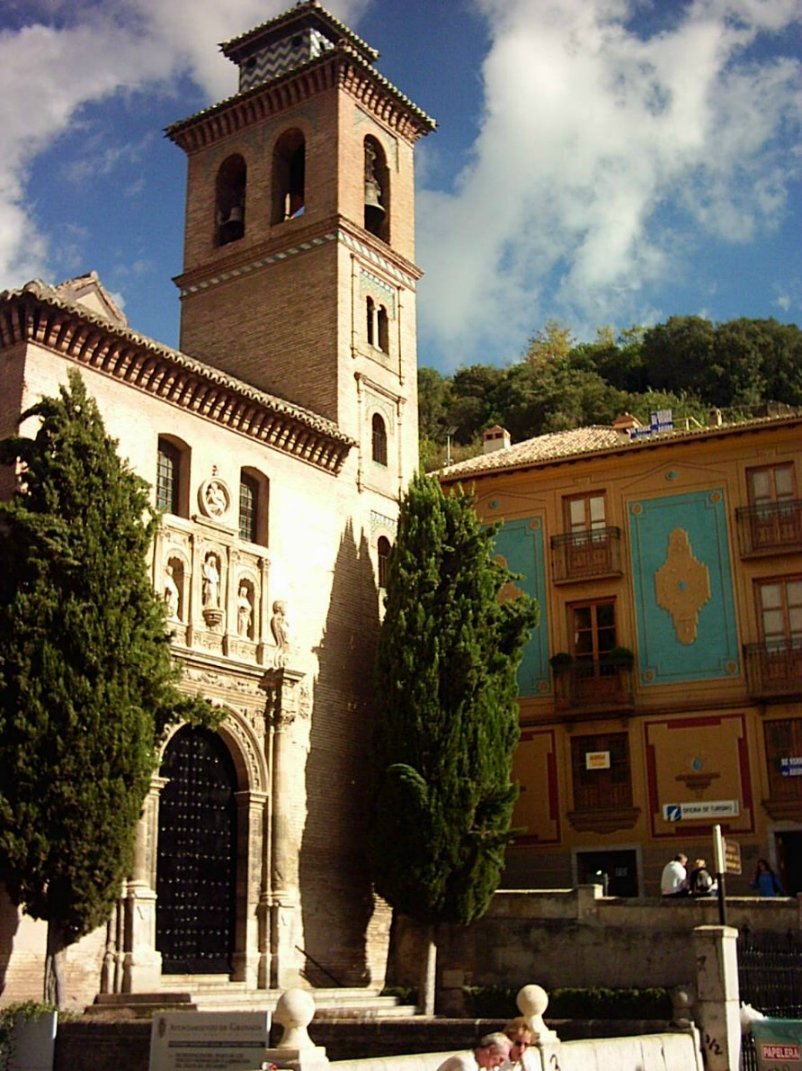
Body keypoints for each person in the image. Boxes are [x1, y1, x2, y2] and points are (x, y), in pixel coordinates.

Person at [436, 1033, 511, 1071]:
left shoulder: (478, 1064)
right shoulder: (465, 1063)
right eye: (500, 1059)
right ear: (490, 1050)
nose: (500, 1064)